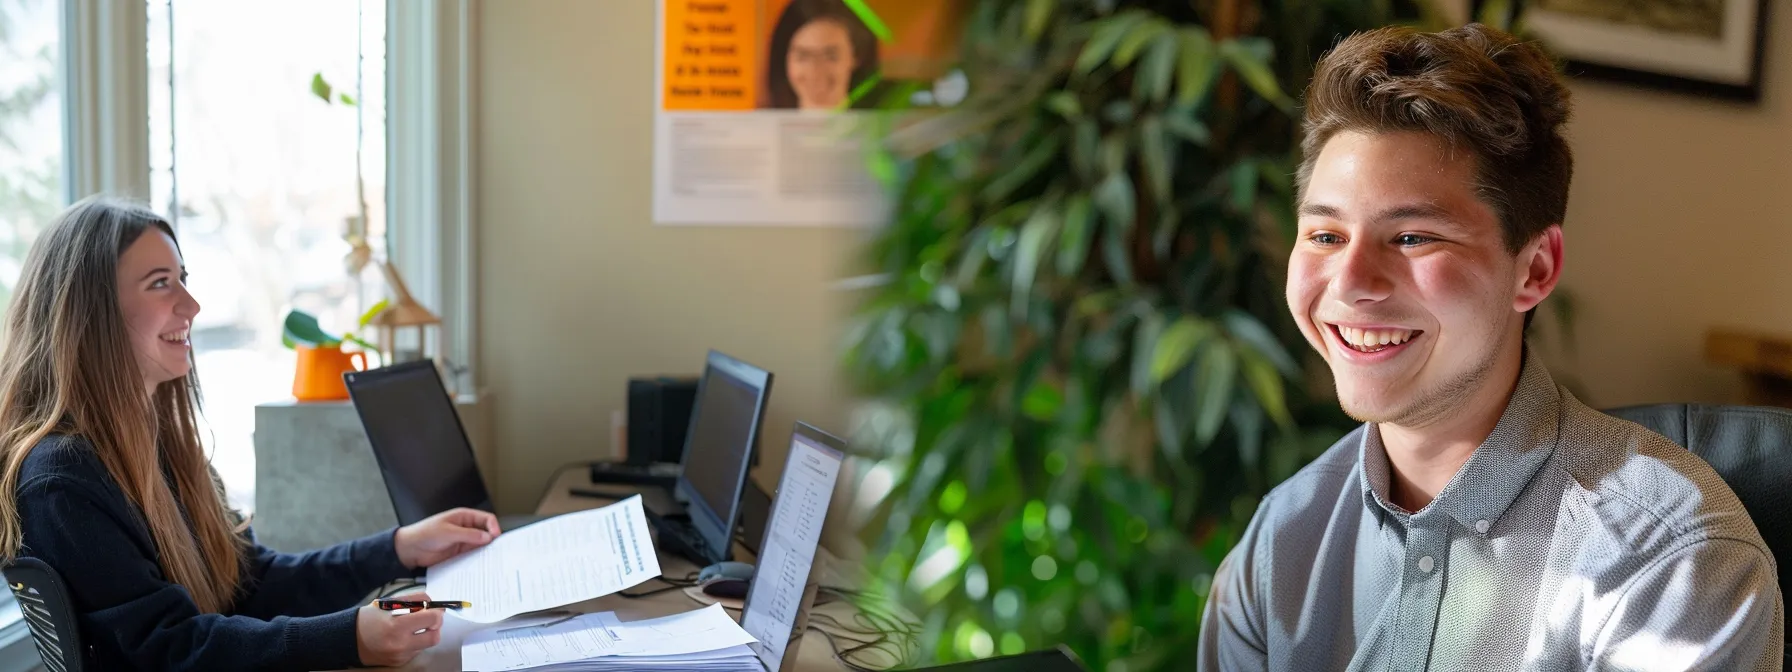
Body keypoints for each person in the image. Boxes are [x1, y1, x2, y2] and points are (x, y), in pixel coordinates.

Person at [1198, 23, 1783, 671]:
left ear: (1534, 269)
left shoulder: (1670, 562)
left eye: (1413, 237)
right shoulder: (1281, 542)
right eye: (1326, 236)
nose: (1352, 283)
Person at [0, 196, 503, 670]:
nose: (191, 305)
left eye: (182, 278)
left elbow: (251, 583)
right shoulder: (60, 479)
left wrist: (399, 549)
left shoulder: (157, 448)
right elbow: (166, 650)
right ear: (91, 313)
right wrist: (351, 637)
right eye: (160, 283)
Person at [765, 0, 879, 110]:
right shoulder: (760, 127)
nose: (815, 70)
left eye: (830, 57)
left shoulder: (886, 126)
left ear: (855, 57)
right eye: (803, 57)